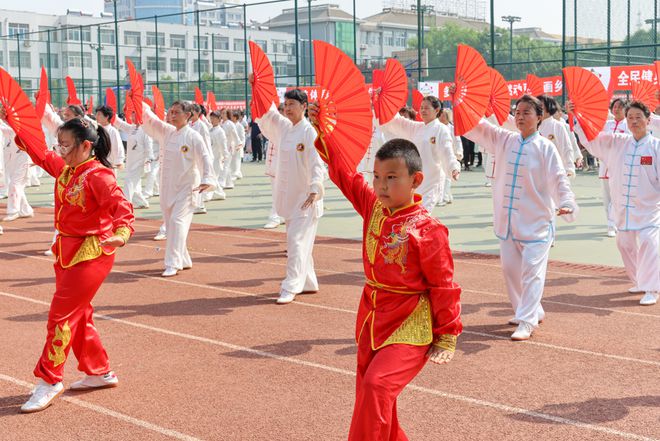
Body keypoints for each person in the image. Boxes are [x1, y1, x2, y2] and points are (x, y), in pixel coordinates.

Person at [310, 100, 462, 439]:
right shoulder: (373, 208)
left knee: (378, 387)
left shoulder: (428, 228)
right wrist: (323, 130)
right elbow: (345, 174)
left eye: (391, 178)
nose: (380, 185)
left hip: (410, 321)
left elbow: (444, 284)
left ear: (415, 180)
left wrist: (447, 335)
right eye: (377, 177)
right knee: (369, 392)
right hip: (371, 315)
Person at [1, 112, 135, 413]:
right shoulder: (67, 170)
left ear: (86, 146)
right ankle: (99, 370)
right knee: (80, 315)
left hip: (92, 253)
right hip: (66, 250)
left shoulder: (99, 176)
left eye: (66, 145)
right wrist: (14, 123)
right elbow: (40, 154)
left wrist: (121, 232)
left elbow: (121, 206)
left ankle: (49, 379)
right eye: (59, 144)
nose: (59, 151)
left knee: (60, 317)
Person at [463, 94, 578, 340]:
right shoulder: (505, 140)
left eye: (527, 112)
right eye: (517, 112)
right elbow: (478, 127)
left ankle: (527, 321)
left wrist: (566, 202)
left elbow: (559, 179)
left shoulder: (546, 147)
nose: (520, 116)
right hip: (508, 223)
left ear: (539, 117)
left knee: (532, 273)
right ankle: (528, 309)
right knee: (510, 270)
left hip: (537, 223)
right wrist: (462, 102)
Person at [570, 100, 659, 306]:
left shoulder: (656, 147)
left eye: (639, 117)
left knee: (649, 243)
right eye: (630, 118)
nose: (634, 121)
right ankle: (639, 281)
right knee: (624, 243)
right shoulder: (618, 142)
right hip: (624, 208)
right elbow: (592, 139)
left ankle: (652, 288)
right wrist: (577, 115)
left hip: (649, 209)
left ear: (648, 120)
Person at [254, 88, 325, 304]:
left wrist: (315, 189)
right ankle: (308, 281)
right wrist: (256, 87)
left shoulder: (309, 132)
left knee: (295, 242)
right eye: (286, 104)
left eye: (292, 104)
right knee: (300, 242)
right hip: (288, 196)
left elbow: (317, 163)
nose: (288, 108)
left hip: (305, 198)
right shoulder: (285, 128)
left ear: (304, 107)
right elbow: (267, 115)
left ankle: (291, 285)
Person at [140, 100, 214, 277]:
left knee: (177, 222)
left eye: (176, 112)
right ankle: (184, 259)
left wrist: (207, 178)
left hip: (187, 187)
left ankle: (172, 263)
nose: (172, 115)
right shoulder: (167, 132)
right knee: (171, 223)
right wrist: (138, 102)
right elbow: (151, 120)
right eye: (171, 112)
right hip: (167, 187)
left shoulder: (193, 136)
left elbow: (205, 157)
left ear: (187, 115)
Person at [381, 96, 460, 213]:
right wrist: (383, 102)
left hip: (432, 180)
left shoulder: (441, 129)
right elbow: (399, 122)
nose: (423, 110)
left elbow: (446, 150)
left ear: (437, 110)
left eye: (426, 108)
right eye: (421, 108)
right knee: (411, 213)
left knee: (422, 214)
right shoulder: (417, 127)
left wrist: (453, 167)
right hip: (415, 179)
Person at [113, 111, 154, 209]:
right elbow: (120, 124)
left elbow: (149, 146)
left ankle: (125, 207)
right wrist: (112, 115)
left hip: (140, 163)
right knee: (134, 186)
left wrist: (148, 159)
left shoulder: (145, 130)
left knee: (129, 182)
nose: (132, 116)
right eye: (132, 114)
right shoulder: (132, 128)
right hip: (130, 162)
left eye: (134, 114)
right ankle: (142, 202)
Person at [0, 121, 34, 221]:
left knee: (14, 185)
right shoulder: (10, 129)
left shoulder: (19, 128)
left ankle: (13, 211)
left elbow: (9, 130)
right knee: (16, 185)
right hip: (15, 162)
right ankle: (26, 210)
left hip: (24, 161)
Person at [262, 104, 285, 229]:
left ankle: (276, 216)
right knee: (276, 192)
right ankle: (279, 216)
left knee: (280, 192)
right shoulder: (274, 128)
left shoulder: (287, 127)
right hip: (273, 167)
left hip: (283, 168)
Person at [94, 106, 125, 173]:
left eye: (99, 114)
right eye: (96, 114)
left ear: (107, 116)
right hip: (96, 163)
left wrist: (119, 161)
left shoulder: (113, 131)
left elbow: (118, 147)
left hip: (109, 164)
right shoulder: (95, 130)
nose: (96, 116)